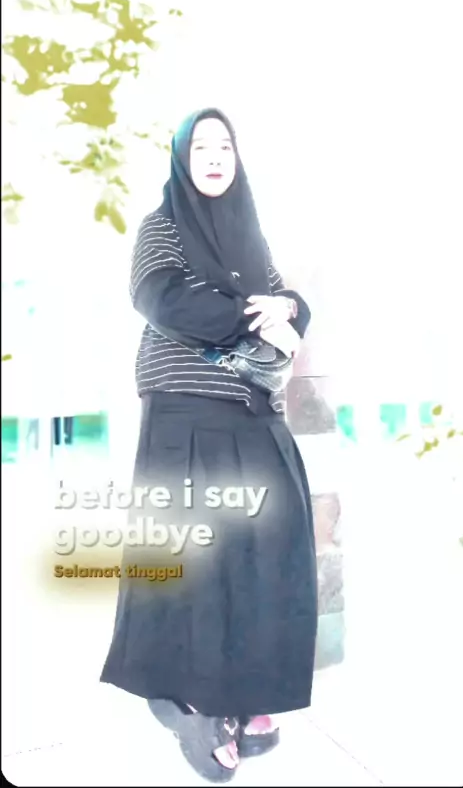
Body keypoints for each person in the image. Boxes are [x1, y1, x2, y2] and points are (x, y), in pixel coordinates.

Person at [100, 109, 318, 782]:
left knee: (266, 555)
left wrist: (290, 308)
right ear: (182, 158)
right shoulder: (162, 227)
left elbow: (285, 302)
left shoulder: (250, 236)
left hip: (254, 413)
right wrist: (255, 320)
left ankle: (248, 690)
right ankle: (192, 703)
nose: (216, 156)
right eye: (202, 146)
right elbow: (163, 299)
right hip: (185, 416)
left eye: (225, 145)